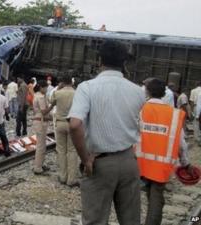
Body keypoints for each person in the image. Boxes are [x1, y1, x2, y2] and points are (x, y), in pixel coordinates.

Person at [68, 40, 145, 225]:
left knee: (95, 220)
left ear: (100, 60)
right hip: (129, 161)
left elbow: (75, 124)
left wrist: (85, 159)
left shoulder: (87, 87)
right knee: (130, 219)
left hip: (99, 163)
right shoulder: (138, 91)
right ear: (124, 62)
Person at [138, 78, 192, 225]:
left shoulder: (139, 109)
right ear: (164, 94)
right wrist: (185, 163)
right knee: (156, 199)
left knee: (131, 197)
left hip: (138, 162)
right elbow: (181, 144)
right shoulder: (174, 114)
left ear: (147, 91)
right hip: (161, 166)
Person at [48, 75, 77, 186]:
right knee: (72, 151)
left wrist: (59, 88)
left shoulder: (58, 93)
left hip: (60, 124)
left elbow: (50, 101)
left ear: (62, 82)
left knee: (61, 150)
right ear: (72, 82)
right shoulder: (76, 93)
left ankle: (63, 176)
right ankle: (71, 179)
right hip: (72, 124)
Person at [32, 80, 52, 174]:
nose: (47, 89)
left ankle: (40, 164)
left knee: (41, 145)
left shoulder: (36, 95)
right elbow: (44, 111)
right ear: (41, 88)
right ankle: (38, 168)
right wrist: (53, 106)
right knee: (41, 146)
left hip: (39, 121)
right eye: (45, 87)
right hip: (41, 122)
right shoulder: (40, 97)